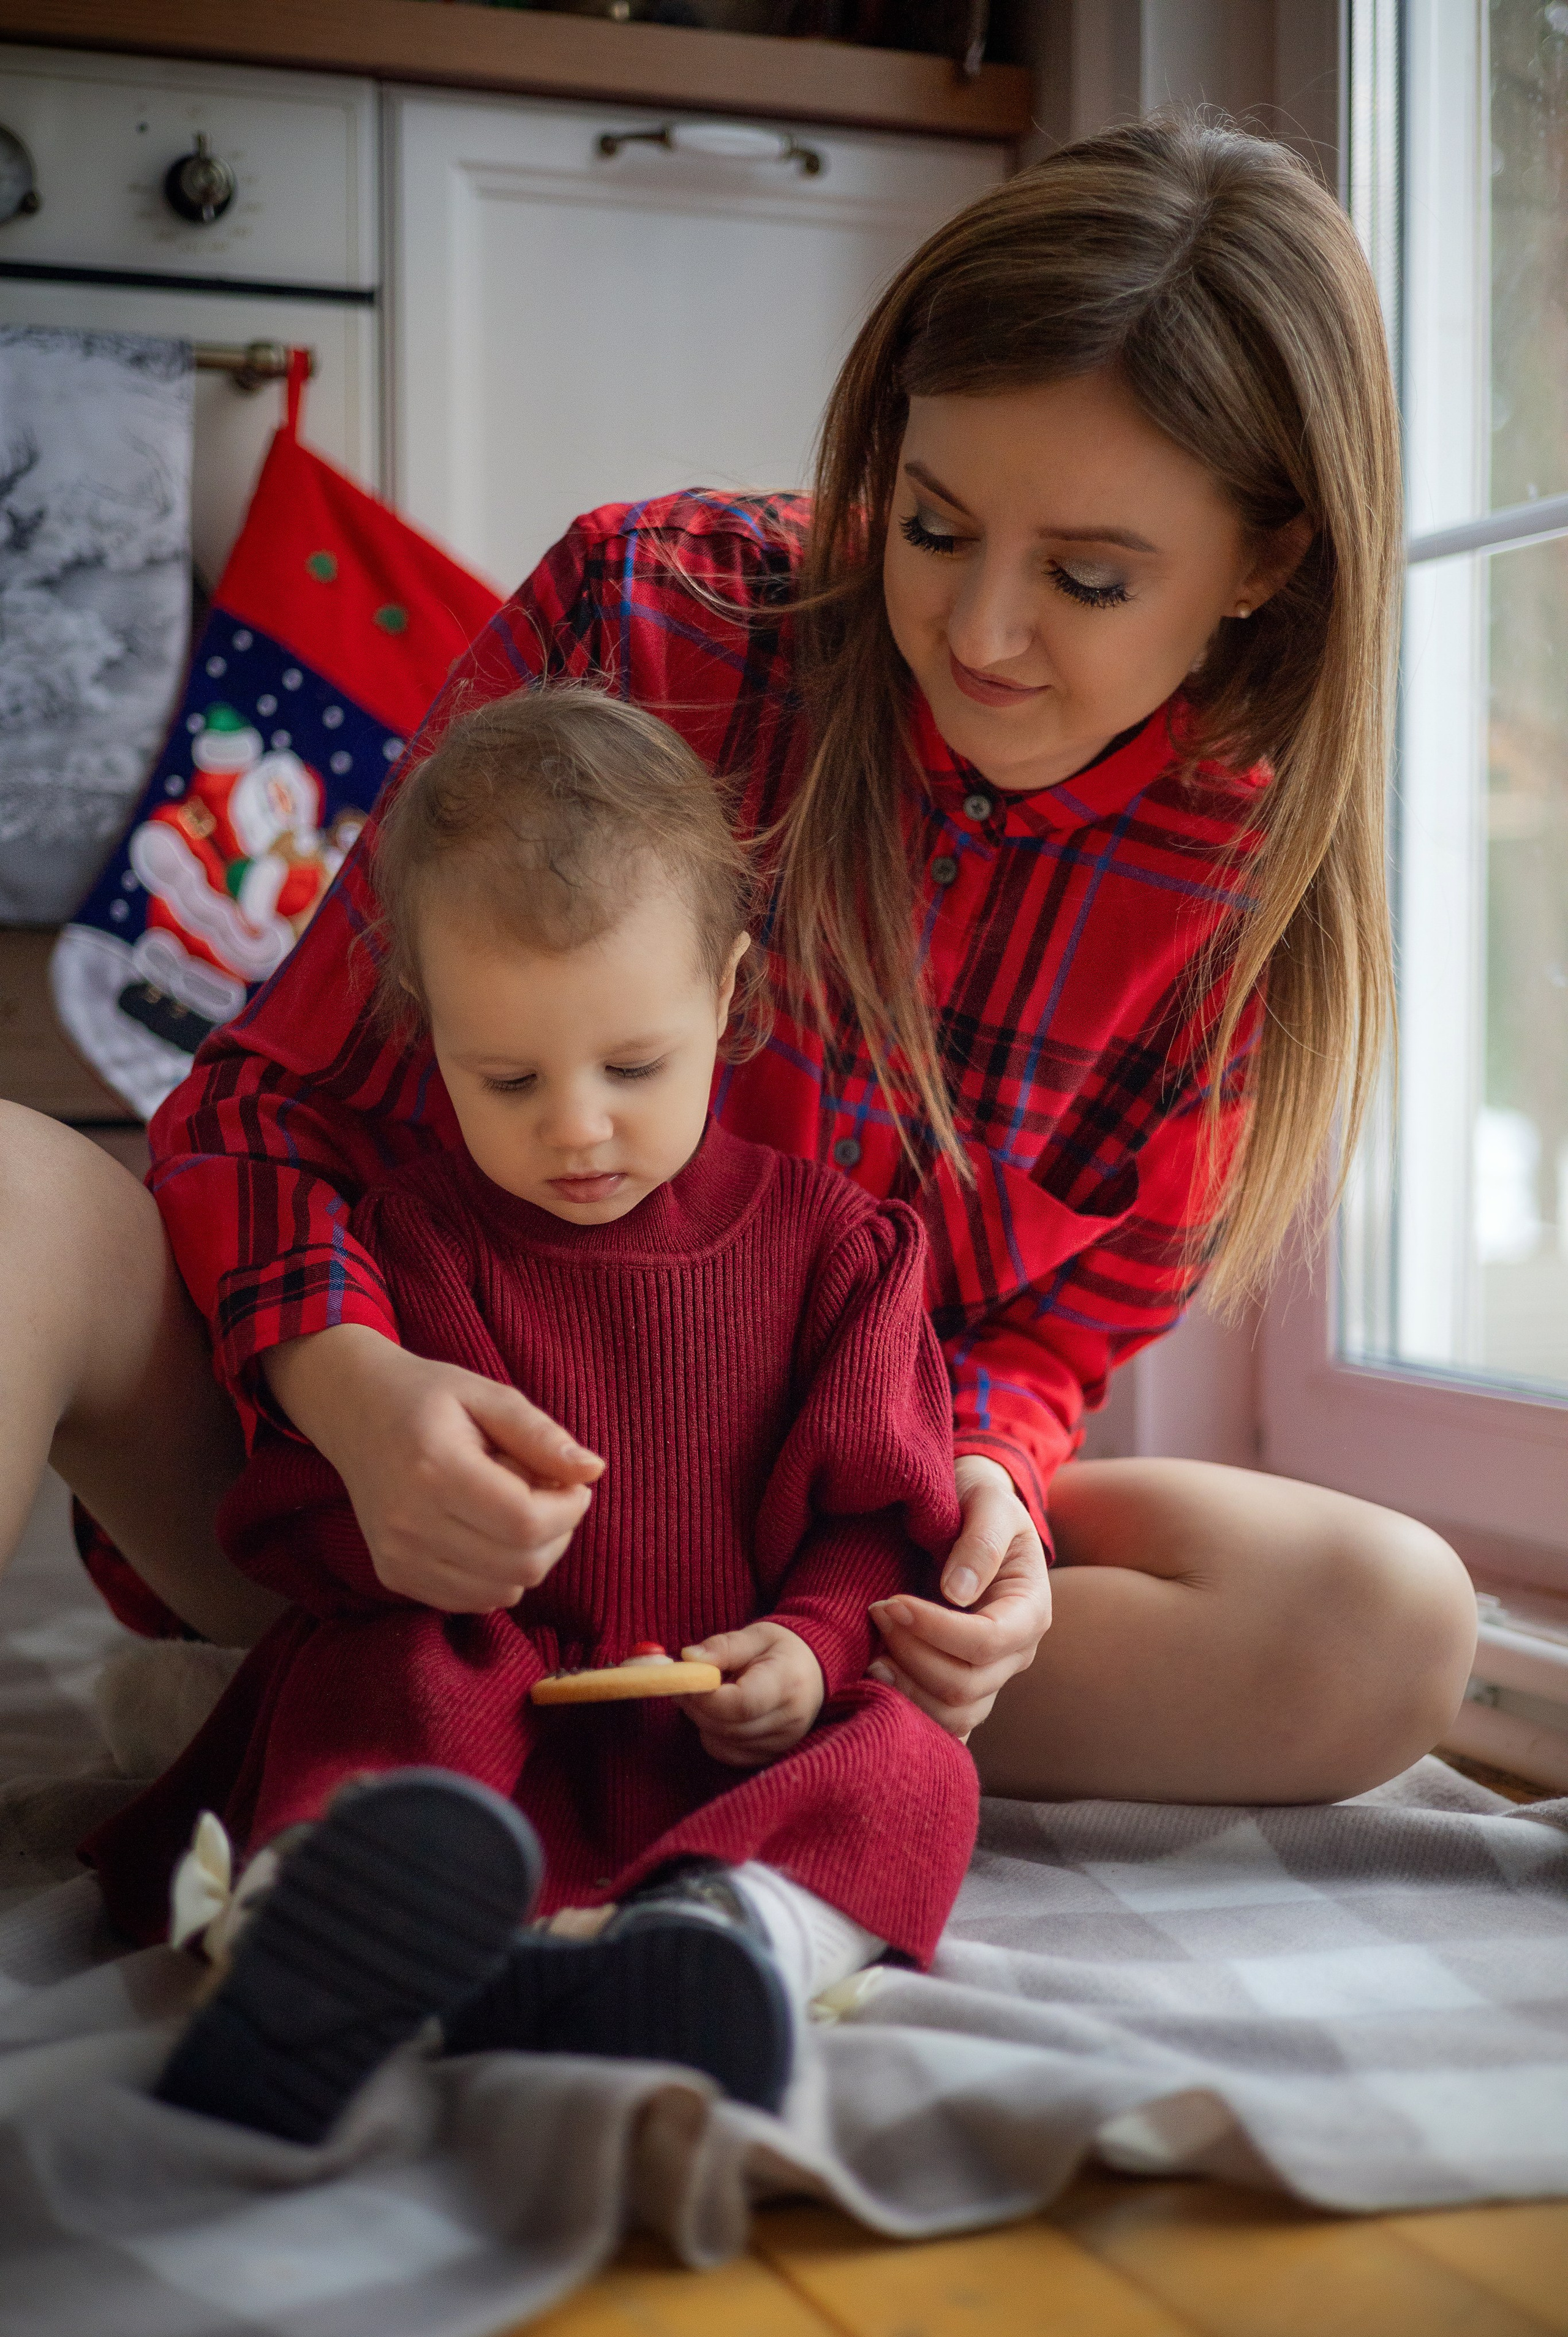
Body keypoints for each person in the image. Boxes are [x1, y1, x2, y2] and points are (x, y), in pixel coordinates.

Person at [0, 116, 1476, 1810]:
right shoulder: (647, 608)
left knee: (1384, 1626)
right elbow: (271, 1107)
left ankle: (471, 1744)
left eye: (1085, 577)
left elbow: (1041, 1349)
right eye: (931, 526)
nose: (980, 633)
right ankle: (382, 1695)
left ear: (1267, 562)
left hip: (797, 1599)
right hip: (390, 1531)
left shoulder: (1244, 904)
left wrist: (986, 1493)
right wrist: (354, 1391)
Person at [86, 685, 979, 2143]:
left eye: (632, 1067)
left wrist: (810, 1650)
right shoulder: (413, 1243)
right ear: (424, 1028)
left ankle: (727, 1940)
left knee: (913, 1764)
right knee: (375, 1675)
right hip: (485, 1726)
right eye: (505, 1078)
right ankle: (324, 1930)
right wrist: (405, 1535)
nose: (575, 1127)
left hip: (727, 1735)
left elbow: (877, 1522)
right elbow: (301, 1523)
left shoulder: (838, 1247)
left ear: (727, 997)